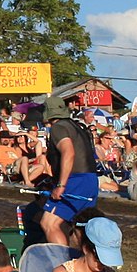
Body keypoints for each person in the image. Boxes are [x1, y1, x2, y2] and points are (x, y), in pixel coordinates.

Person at [40, 96, 99, 249]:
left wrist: (61, 185)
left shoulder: (58, 128)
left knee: (49, 223)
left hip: (75, 179)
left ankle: (64, 265)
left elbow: (69, 153)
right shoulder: (76, 126)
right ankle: (82, 265)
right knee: (79, 228)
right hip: (91, 179)